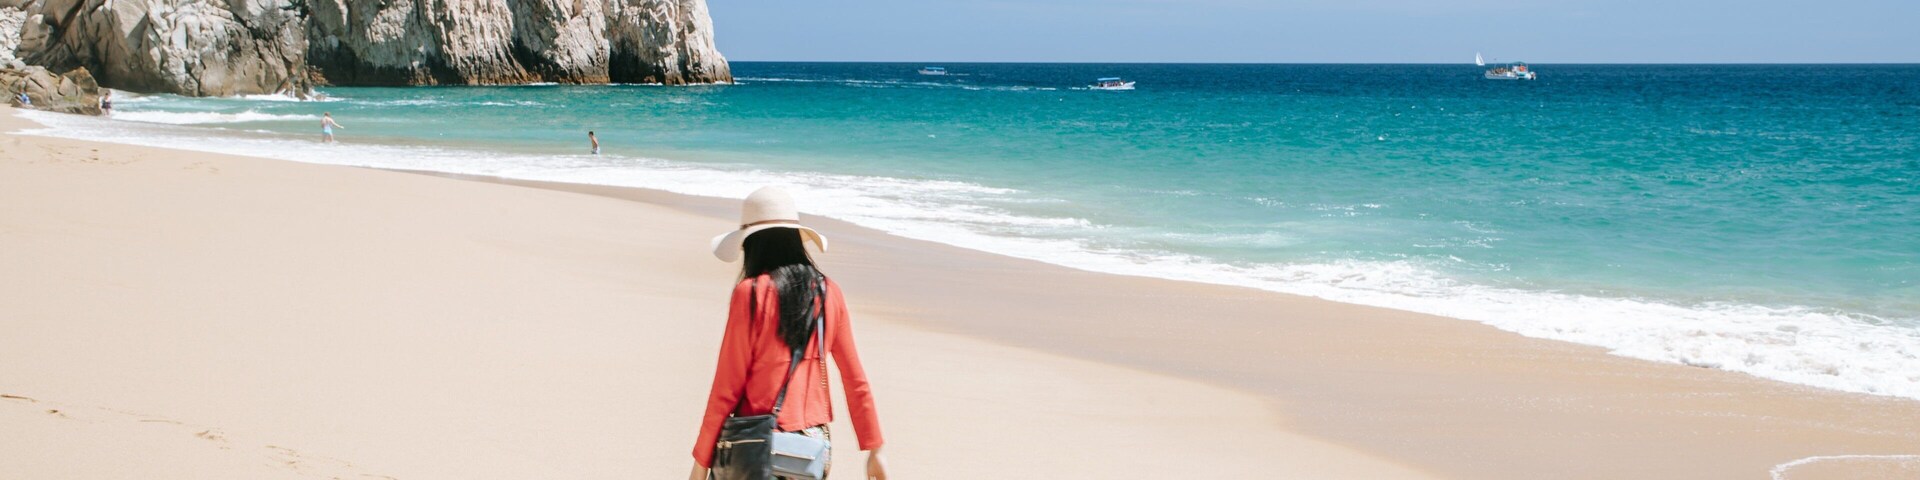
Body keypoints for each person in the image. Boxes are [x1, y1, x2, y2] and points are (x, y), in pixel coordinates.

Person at [691, 187, 888, 480]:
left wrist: (701, 462)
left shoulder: (751, 294)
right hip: (811, 448)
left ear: (752, 244)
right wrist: (875, 449)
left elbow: (726, 387)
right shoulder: (828, 292)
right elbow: (854, 378)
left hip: (757, 446)